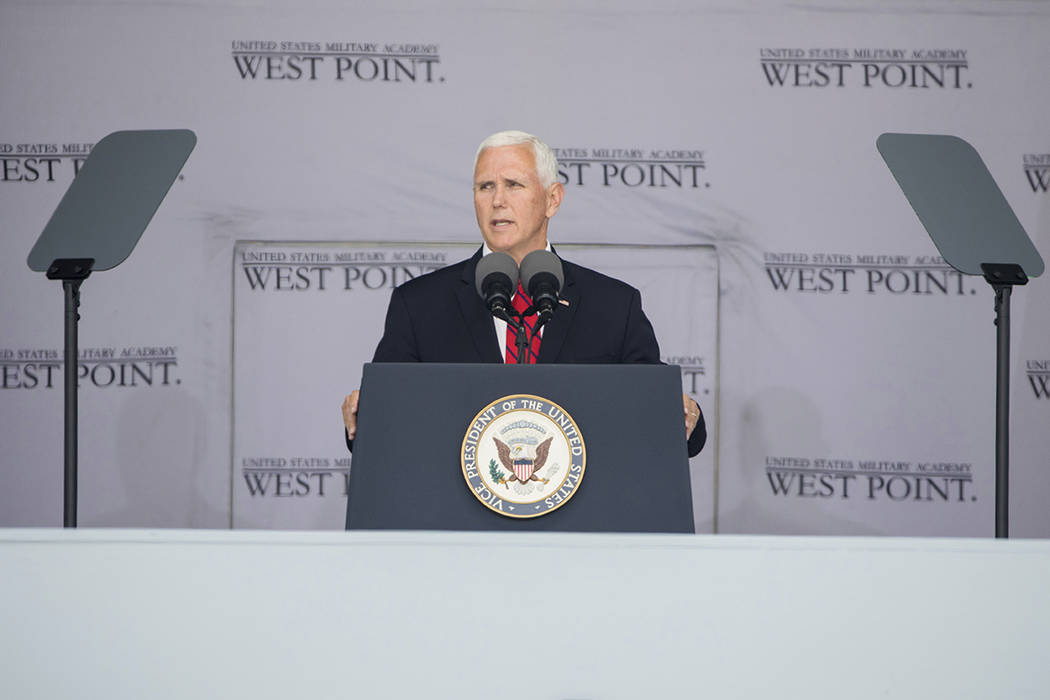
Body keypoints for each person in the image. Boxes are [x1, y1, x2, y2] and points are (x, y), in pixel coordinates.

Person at [342, 130, 706, 456]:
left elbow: (657, 412)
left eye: (513, 184)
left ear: (552, 199)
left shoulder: (612, 306)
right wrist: (365, 414)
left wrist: (685, 415)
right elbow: (383, 424)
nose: (497, 200)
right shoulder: (420, 305)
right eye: (485, 187)